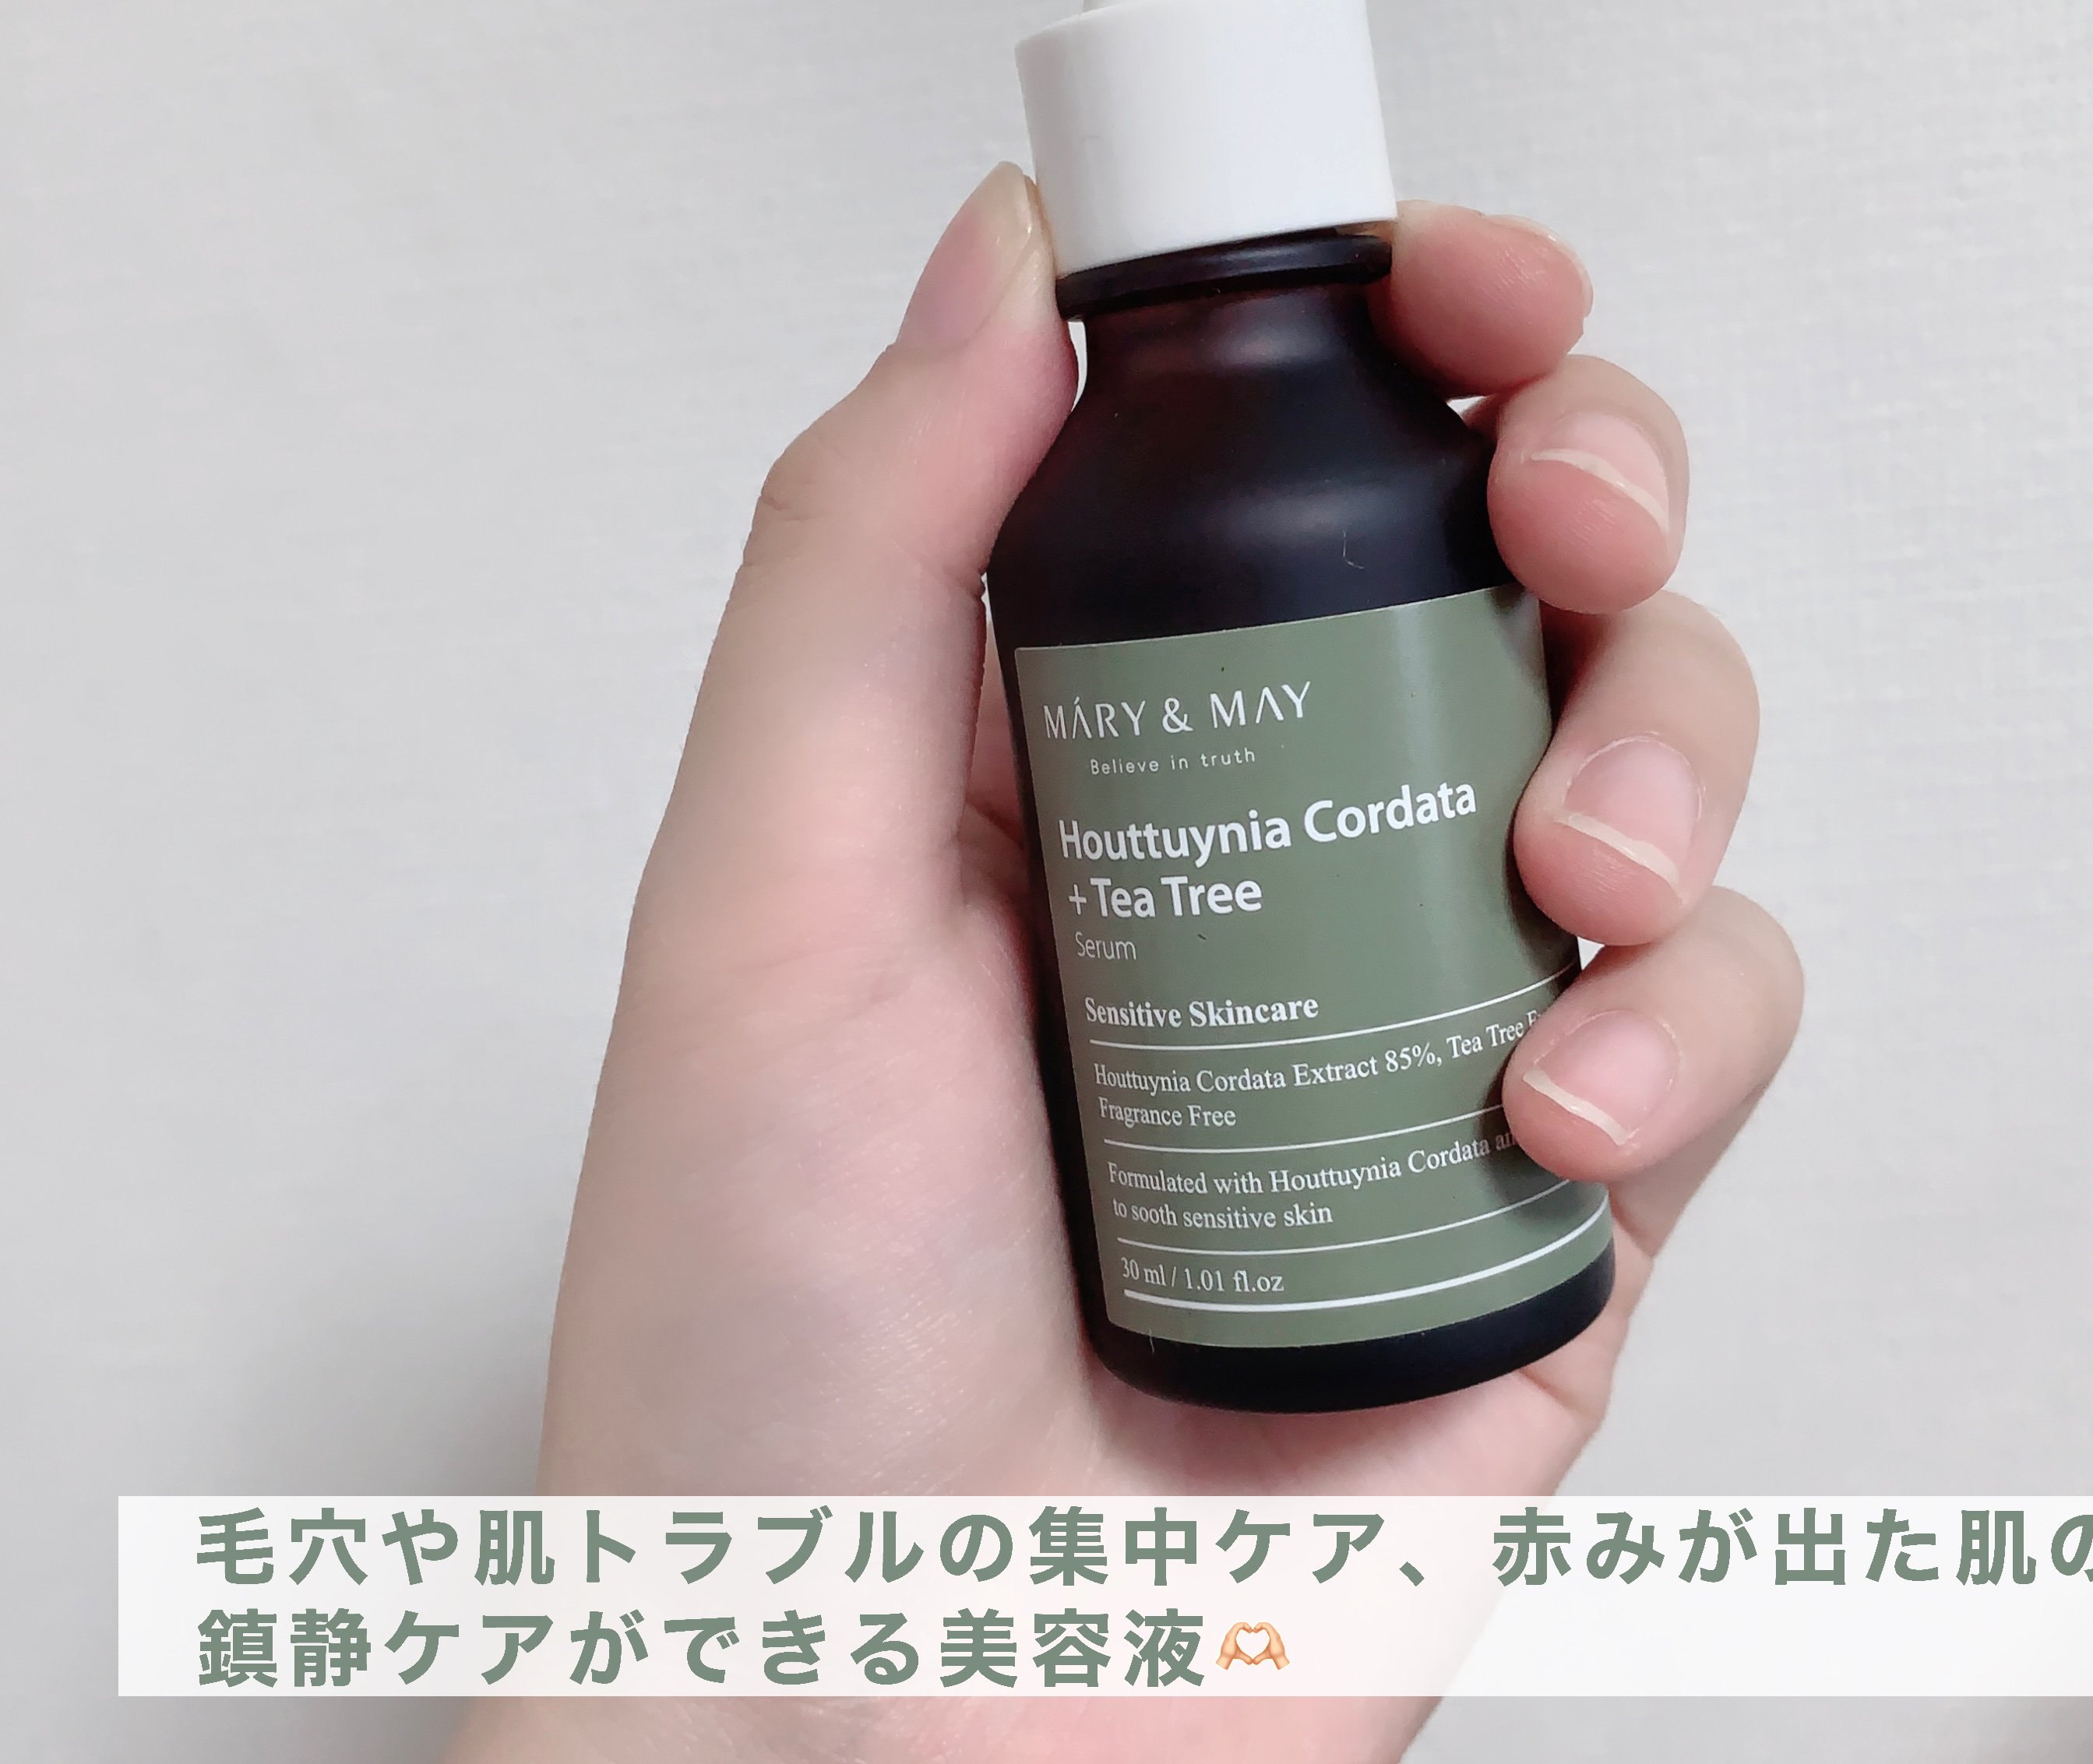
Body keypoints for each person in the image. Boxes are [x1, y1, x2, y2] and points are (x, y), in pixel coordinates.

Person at [447, 167, 1802, 1763]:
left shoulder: (1415, 485)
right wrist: (737, 1709)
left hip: (1332, 1388)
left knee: (1583, 680)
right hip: (1016, 1490)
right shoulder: (1080, 531)